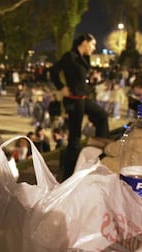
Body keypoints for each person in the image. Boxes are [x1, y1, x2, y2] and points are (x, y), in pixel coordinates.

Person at [50, 33, 109, 179]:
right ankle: (69, 175)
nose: (94, 48)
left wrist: (93, 80)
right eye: (93, 44)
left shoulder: (84, 59)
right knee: (75, 137)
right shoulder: (70, 56)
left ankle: (101, 152)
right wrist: (61, 87)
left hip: (82, 98)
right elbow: (53, 71)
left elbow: (82, 81)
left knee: (102, 116)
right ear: (85, 42)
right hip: (74, 100)